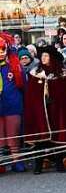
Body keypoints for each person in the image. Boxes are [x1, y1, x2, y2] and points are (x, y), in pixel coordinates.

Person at [23, 45, 66, 174]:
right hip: (41, 111)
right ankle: (38, 165)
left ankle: (59, 163)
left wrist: (56, 98)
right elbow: (31, 95)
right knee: (41, 138)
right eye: (42, 56)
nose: (43, 58)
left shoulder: (62, 73)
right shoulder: (35, 73)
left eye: (46, 56)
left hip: (57, 110)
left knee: (58, 136)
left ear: (52, 57)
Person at [0, 33, 26, 173]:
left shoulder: (14, 65)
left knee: (13, 135)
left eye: (3, 50)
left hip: (12, 105)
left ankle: (17, 161)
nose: (1, 54)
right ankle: (2, 163)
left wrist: (16, 73)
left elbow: (23, 84)